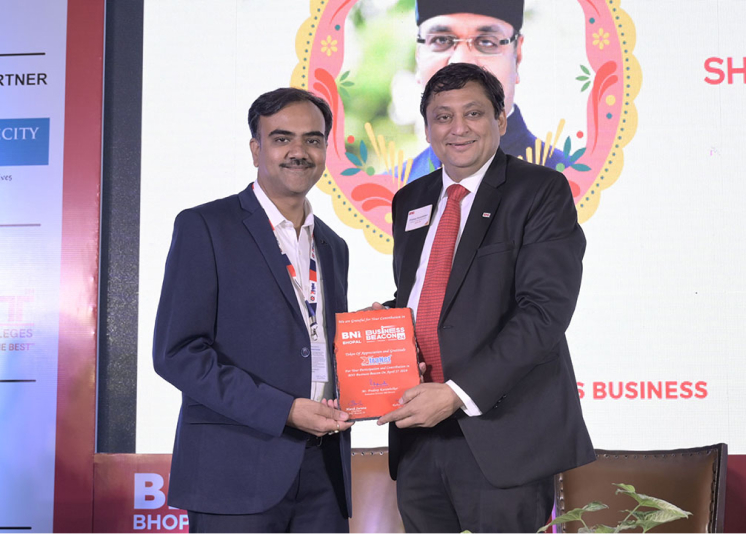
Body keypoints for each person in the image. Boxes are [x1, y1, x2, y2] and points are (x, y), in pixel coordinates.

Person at [376, 63, 594, 533]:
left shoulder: (539, 190)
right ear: (427, 129)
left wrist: (456, 394)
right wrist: (383, 324)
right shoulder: (410, 199)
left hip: (503, 435)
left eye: (473, 113)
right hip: (419, 435)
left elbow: (544, 312)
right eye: (443, 117)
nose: (458, 128)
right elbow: (426, 294)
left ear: (500, 119)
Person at [153, 88, 353, 533]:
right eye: (282, 138)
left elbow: (317, 338)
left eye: (313, 139)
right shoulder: (206, 227)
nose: (299, 151)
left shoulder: (333, 246)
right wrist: (284, 410)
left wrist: (378, 347)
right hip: (235, 472)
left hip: (324, 471)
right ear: (255, 149)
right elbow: (178, 354)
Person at [405, 0, 570, 181]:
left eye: (486, 42)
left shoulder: (573, 183)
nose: (461, 61)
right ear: (419, 56)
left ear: (517, 56)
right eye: (441, 40)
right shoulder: (392, 189)